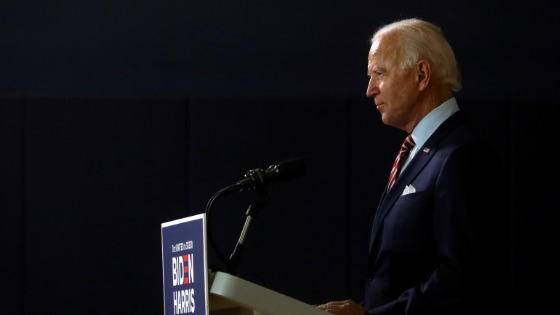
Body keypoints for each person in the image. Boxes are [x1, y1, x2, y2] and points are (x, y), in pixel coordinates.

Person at [316, 18, 509, 315]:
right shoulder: (417, 152)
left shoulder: (461, 156)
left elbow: (462, 279)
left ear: (421, 75)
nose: (370, 90)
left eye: (379, 74)